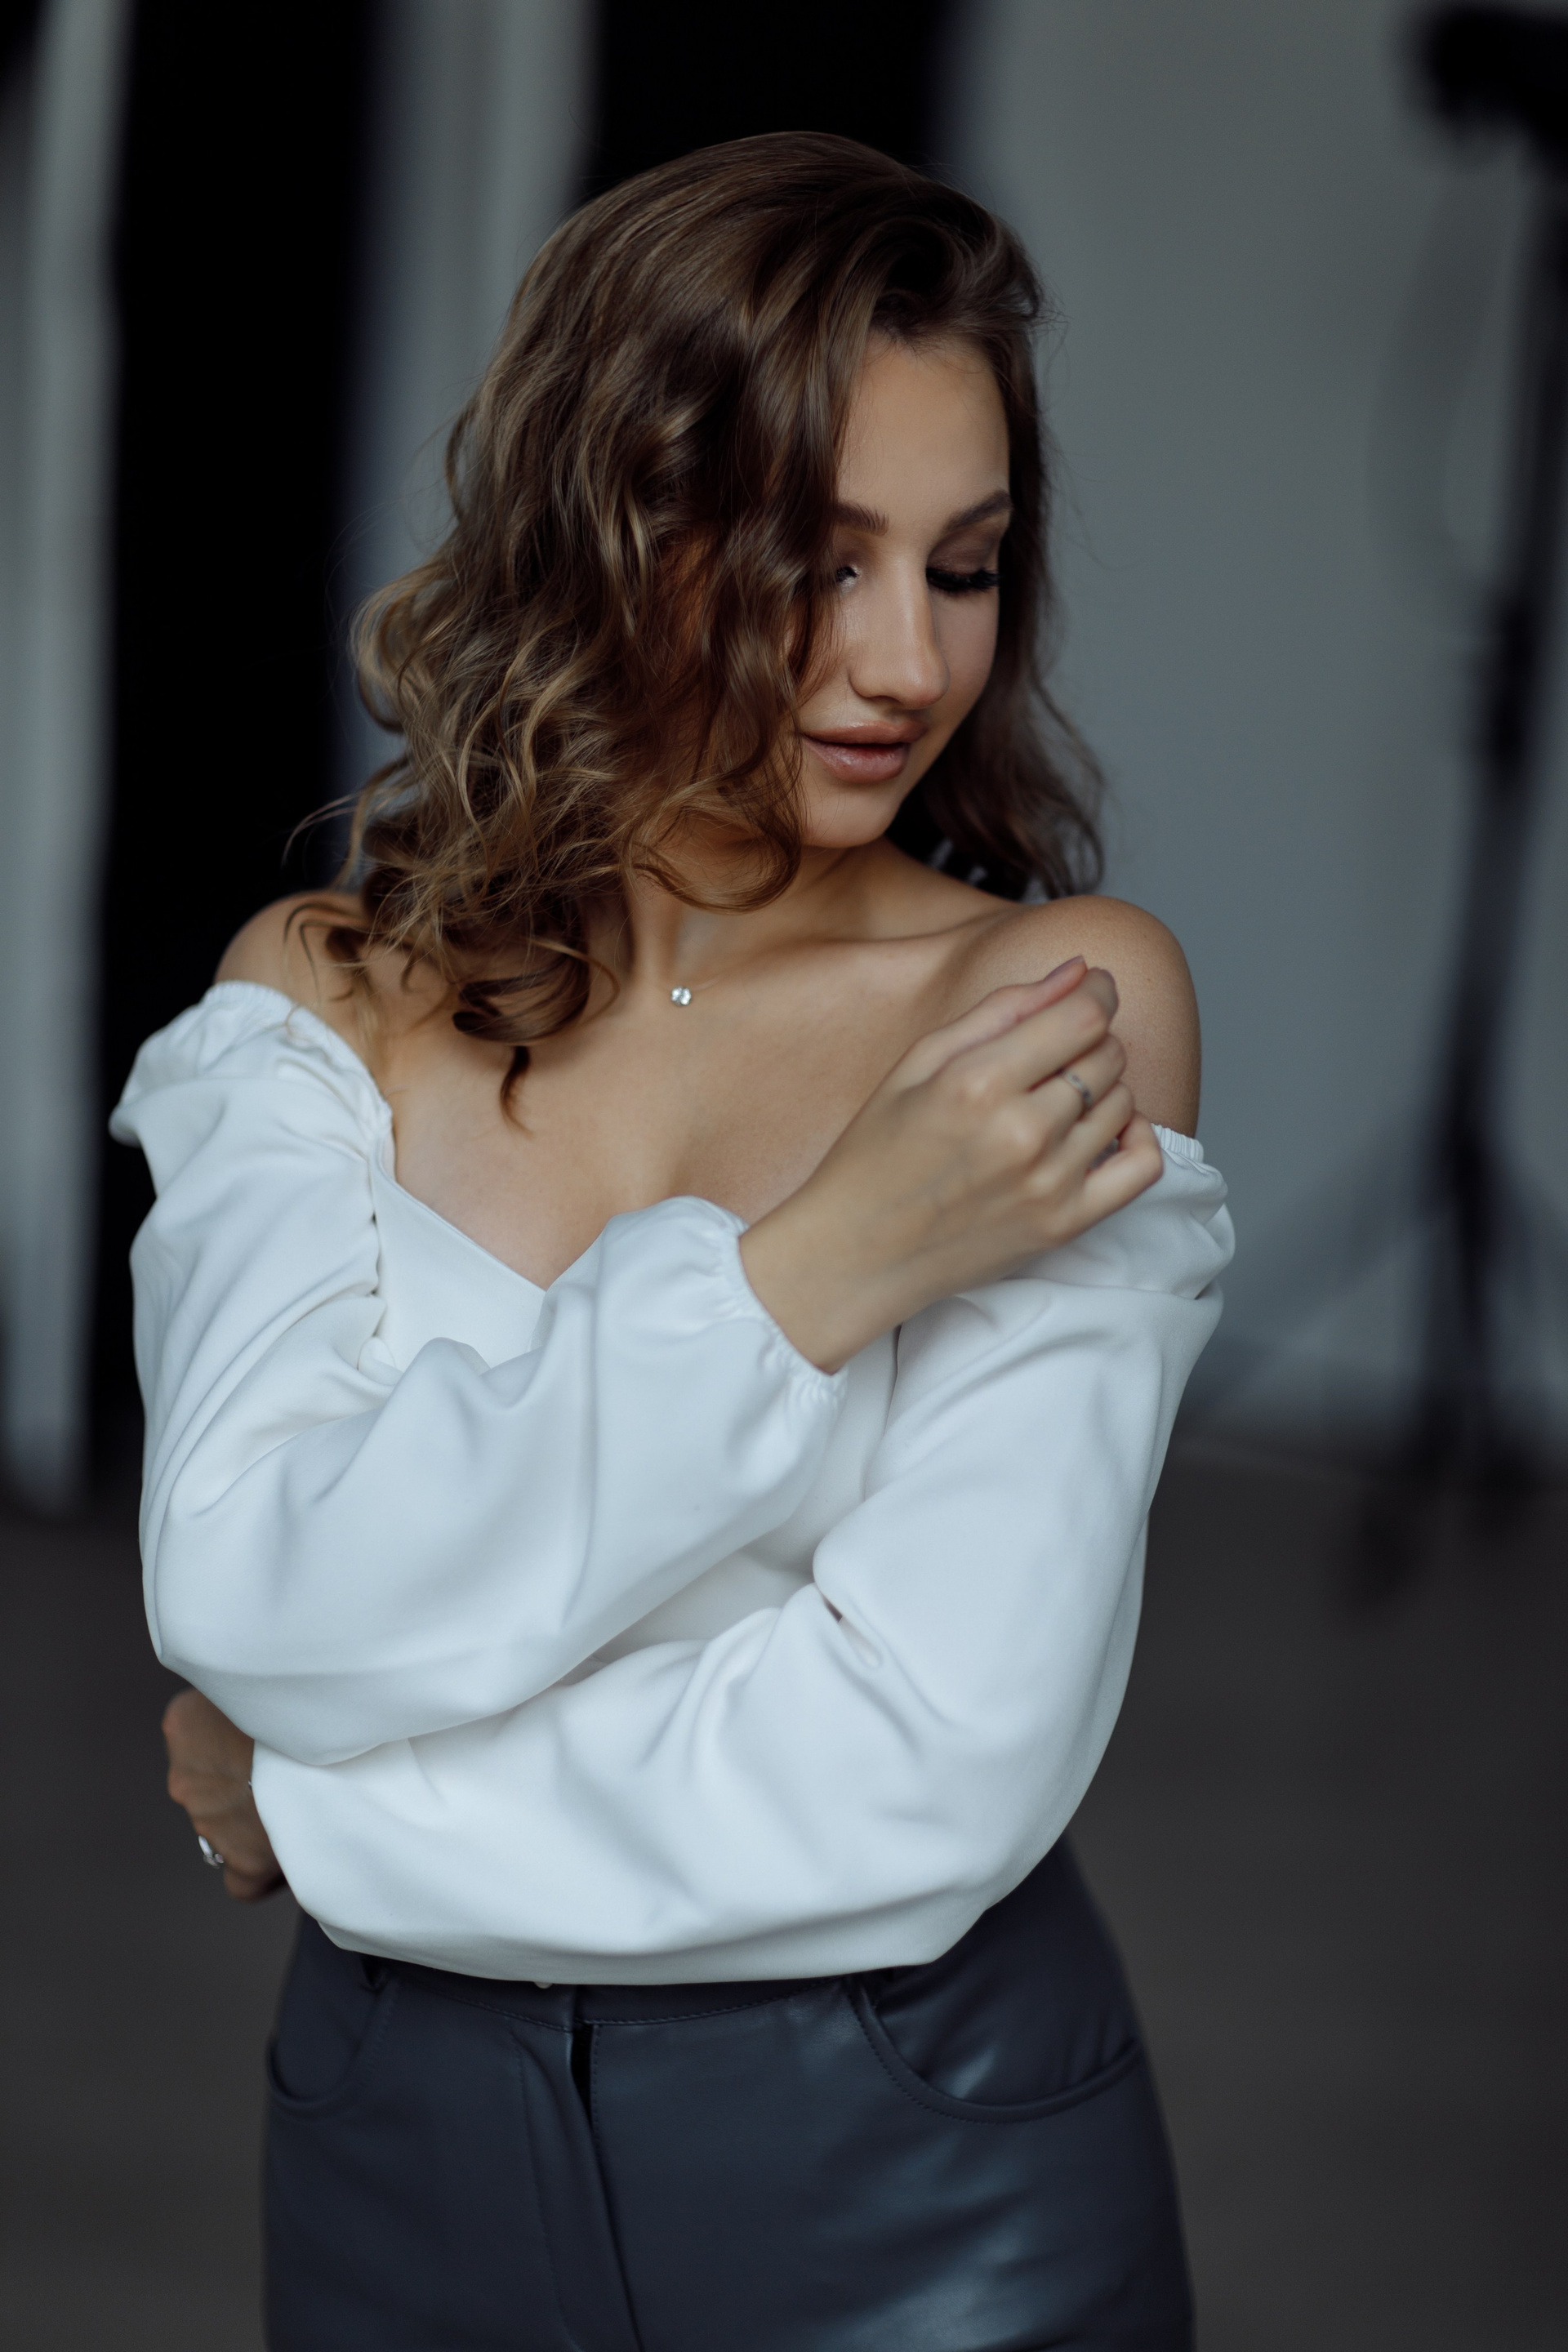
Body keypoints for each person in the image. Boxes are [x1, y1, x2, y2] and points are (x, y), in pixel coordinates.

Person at [118, 134, 1232, 2352]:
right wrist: (816, 1268)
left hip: (916, 2187)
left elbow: (922, 1767)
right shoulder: (322, 999)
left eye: (967, 566)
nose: (906, 659)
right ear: (608, 522)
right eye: (821, 561)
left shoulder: (1044, 1014)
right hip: (391, 2171)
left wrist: (313, 1798)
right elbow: (243, 1587)